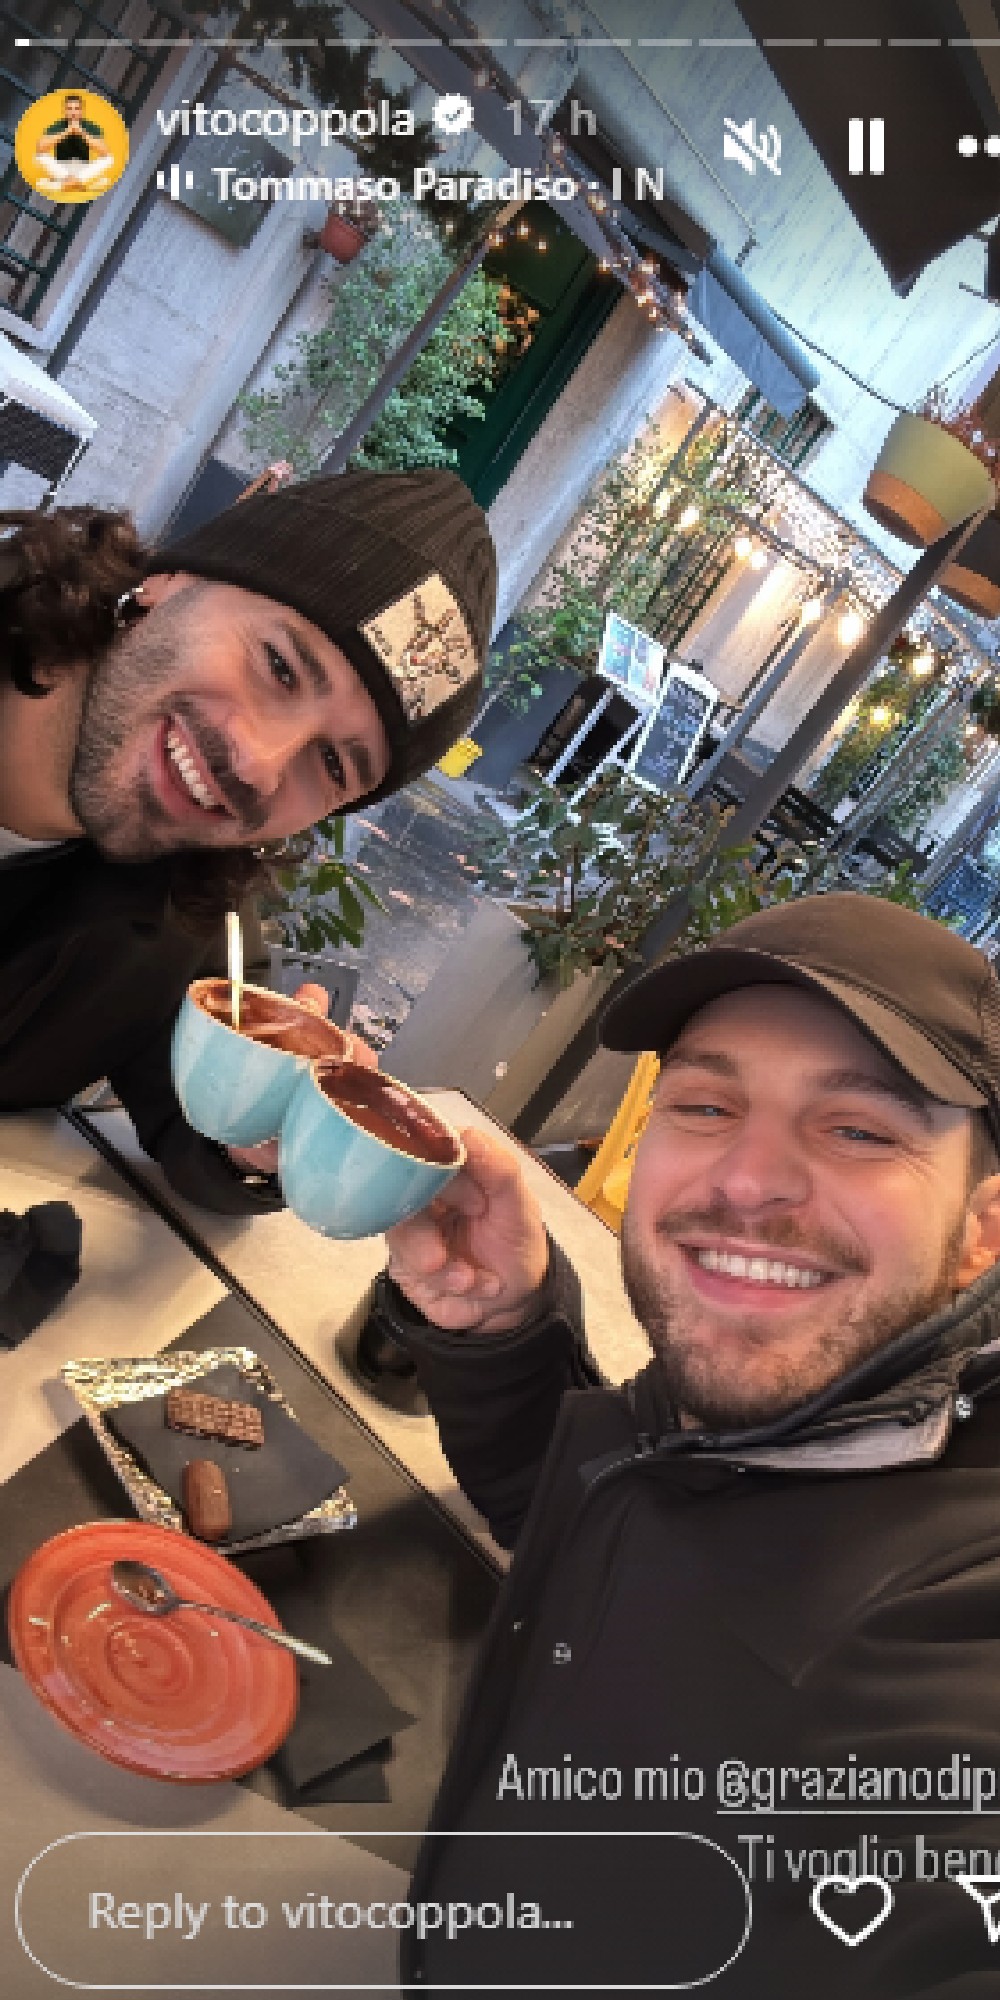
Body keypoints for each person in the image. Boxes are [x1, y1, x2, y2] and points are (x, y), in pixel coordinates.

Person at [380, 892, 1000, 1995]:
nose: (746, 1177)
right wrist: (503, 1328)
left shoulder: (947, 1635)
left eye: (858, 1127)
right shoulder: (774, 1405)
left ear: (980, 1231)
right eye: (706, 1104)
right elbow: (608, 1522)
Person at [0, 469, 495, 1209]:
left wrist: (263, 1134)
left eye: (331, 765)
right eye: (279, 666)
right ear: (170, 582)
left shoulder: (186, 933)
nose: (261, 765)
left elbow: (195, 1136)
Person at [35, 94, 114, 194]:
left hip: (83, 169)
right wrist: (67, 132)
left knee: (110, 159)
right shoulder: (57, 126)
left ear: (81, 111)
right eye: (69, 108)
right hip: (61, 168)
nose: (73, 112)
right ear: (65, 111)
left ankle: (63, 185)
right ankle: (79, 183)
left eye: (76, 108)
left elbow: (104, 151)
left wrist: (81, 133)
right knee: (39, 157)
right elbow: (40, 148)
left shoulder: (90, 126)